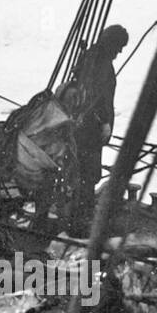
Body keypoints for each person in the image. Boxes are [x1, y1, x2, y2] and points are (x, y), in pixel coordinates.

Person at [65, 24, 128, 228]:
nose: (118, 53)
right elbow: (97, 97)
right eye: (118, 48)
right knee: (88, 174)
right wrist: (105, 123)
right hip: (89, 130)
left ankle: (77, 217)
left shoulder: (90, 57)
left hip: (80, 127)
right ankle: (80, 223)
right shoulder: (100, 63)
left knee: (81, 174)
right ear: (110, 43)